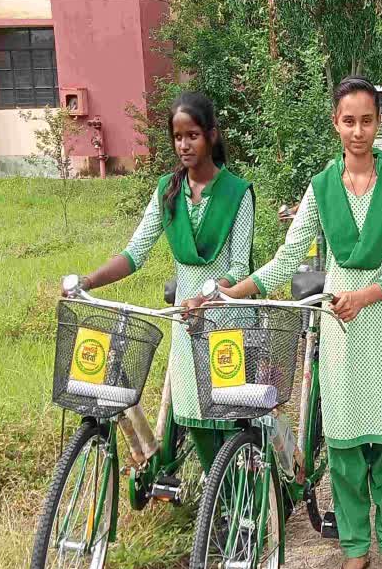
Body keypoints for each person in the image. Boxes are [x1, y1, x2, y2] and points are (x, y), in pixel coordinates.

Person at [191, 76, 382, 569]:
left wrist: (365, 295)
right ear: (335, 124)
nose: (358, 131)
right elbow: (287, 259)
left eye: (367, 120)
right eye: (348, 121)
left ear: (378, 124)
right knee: (344, 442)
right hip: (338, 329)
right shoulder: (320, 189)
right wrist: (235, 289)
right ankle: (356, 547)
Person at [74, 91, 253, 475]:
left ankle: (240, 497)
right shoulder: (168, 192)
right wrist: (89, 280)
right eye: (177, 136)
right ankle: (219, 498)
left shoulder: (238, 193)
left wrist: (210, 295)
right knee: (192, 416)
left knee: (226, 419)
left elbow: (239, 267)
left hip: (227, 313)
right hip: (185, 321)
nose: (184, 145)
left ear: (211, 136)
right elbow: (135, 252)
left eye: (192, 135)